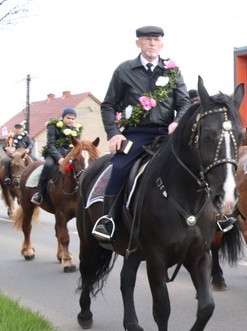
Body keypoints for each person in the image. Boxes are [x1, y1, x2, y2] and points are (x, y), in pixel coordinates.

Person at [91, 25, 190, 244]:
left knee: (197, 162)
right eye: (147, 39)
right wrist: (114, 133)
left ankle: (215, 216)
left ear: (162, 44)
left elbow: (184, 103)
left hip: (167, 133)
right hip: (137, 134)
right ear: (138, 43)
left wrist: (177, 121)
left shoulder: (172, 70)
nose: (152, 43)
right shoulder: (124, 70)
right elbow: (108, 105)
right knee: (118, 167)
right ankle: (108, 221)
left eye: (156, 39)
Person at [31, 109, 82, 204]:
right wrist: (59, 158)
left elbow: (77, 146)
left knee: (81, 167)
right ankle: (39, 193)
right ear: (63, 117)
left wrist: (70, 157)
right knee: (48, 165)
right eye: (68, 118)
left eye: (72, 118)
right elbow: (50, 145)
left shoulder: (76, 130)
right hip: (55, 153)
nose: (70, 120)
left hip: (70, 154)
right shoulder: (53, 127)